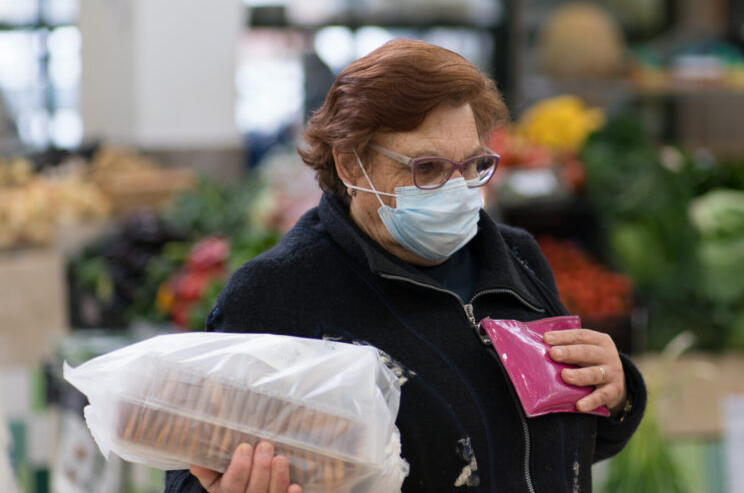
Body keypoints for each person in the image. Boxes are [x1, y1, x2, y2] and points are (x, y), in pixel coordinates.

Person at [164, 39, 646, 493]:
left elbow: (554, 445)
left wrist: (616, 393)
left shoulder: (516, 258)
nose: (457, 190)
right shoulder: (276, 293)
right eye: (427, 169)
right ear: (351, 165)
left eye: (473, 165)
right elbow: (188, 476)